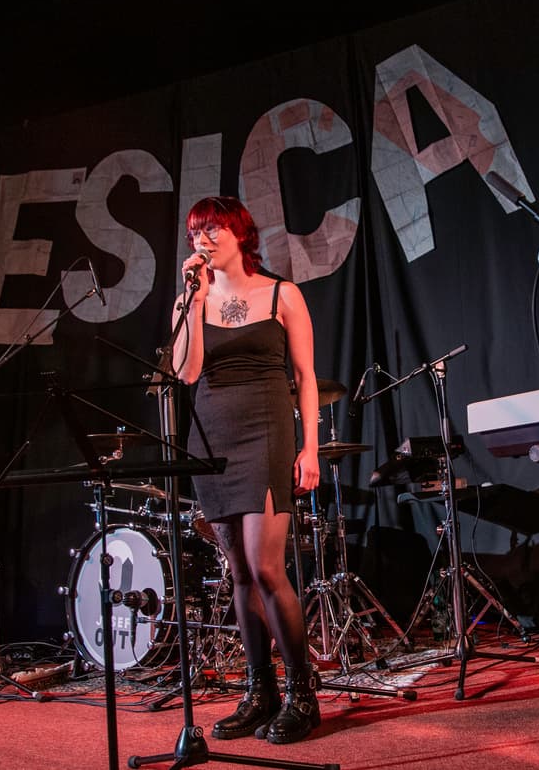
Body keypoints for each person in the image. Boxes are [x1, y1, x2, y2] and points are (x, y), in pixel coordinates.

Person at [171, 195, 322, 744]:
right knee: (237, 573)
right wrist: (194, 300)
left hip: (266, 431)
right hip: (210, 439)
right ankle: (262, 693)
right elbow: (185, 373)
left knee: (266, 568)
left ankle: (304, 694)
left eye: (212, 230)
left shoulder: (283, 294)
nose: (202, 240)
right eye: (195, 234)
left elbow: (306, 378)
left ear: (240, 234)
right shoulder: (192, 298)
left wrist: (310, 449)